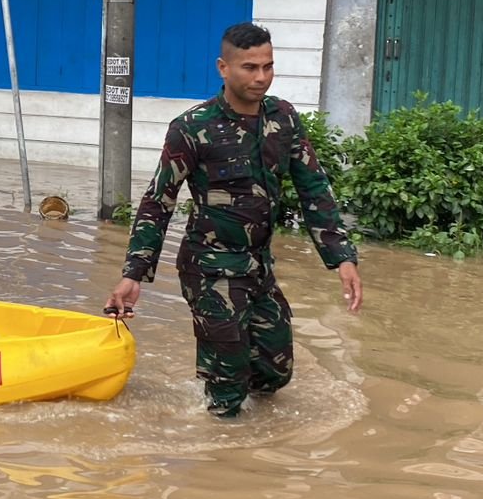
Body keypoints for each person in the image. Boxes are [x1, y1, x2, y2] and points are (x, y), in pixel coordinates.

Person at [105, 23, 364, 419]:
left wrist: (342, 257)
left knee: (275, 372)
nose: (261, 77)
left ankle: (253, 441)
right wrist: (133, 273)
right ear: (223, 68)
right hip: (210, 269)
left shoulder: (283, 118)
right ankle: (222, 456)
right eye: (249, 67)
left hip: (259, 266)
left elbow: (314, 188)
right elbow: (159, 201)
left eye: (268, 66)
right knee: (228, 386)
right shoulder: (192, 128)